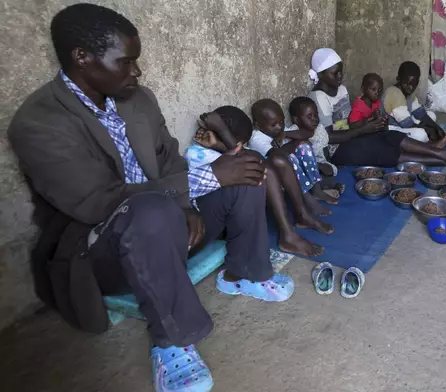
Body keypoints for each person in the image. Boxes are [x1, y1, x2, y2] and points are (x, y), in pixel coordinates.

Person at [7, 4, 292, 392]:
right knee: (153, 211)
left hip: (171, 223)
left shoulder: (137, 100)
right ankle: (171, 342)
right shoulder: (39, 123)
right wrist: (194, 186)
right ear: (82, 58)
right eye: (126, 62)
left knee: (246, 169)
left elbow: (171, 160)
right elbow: (95, 203)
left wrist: (188, 201)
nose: (137, 72)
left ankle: (242, 273)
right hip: (103, 250)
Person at [188, 105, 330, 257]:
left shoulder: (214, 149)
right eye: (237, 142)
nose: (238, 146)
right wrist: (223, 132)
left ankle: (302, 215)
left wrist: (220, 143)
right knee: (264, 169)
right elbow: (252, 161)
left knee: (276, 161)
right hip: (212, 225)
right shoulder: (197, 154)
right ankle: (288, 235)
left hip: (231, 209)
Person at [307, 48, 446, 168]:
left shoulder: (341, 90)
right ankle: (445, 156)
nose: (340, 76)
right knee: (382, 151)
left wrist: (369, 123)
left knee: (390, 135)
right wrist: (362, 130)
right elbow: (329, 138)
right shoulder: (318, 98)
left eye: (341, 72)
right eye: (334, 73)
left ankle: (436, 151)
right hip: (336, 150)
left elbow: (349, 122)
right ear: (320, 74)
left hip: (351, 136)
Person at [286, 96, 345, 197]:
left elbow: (324, 149)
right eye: (309, 117)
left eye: (316, 115)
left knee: (329, 170)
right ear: (296, 120)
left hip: (319, 163)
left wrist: (324, 164)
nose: (315, 119)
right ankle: (321, 191)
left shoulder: (319, 129)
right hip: (303, 167)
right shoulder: (292, 132)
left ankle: (322, 189)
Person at [381, 62, 446, 143]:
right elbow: (407, 124)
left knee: (431, 115)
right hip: (392, 128)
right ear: (398, 79)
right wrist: (428, 129)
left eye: (414, 83)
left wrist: (437, 127)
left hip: (404, 120)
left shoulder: (408, 93)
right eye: (407, 84)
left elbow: (420, 113)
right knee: (421, 135)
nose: (411, 87)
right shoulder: (394, 94)